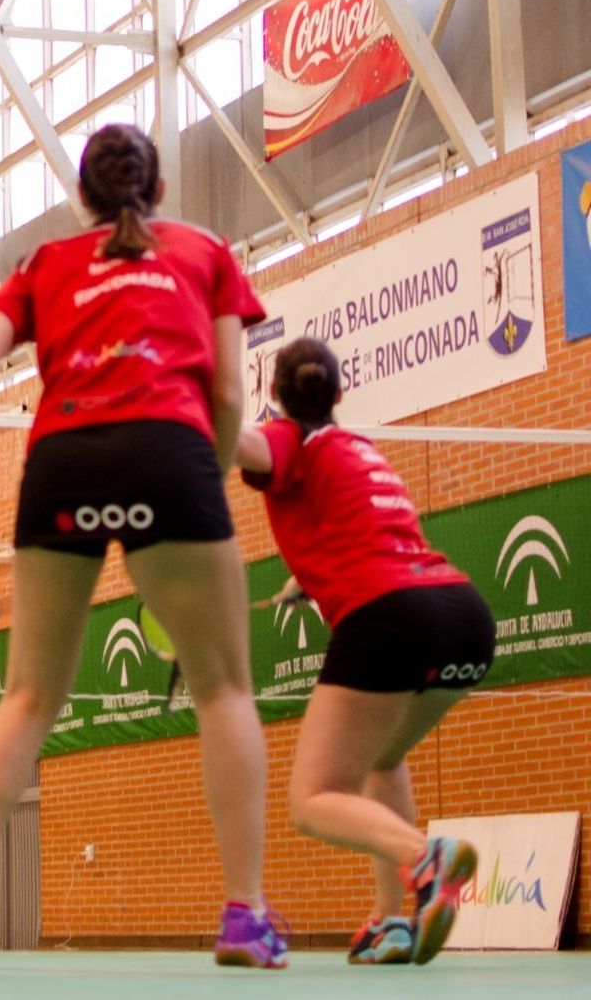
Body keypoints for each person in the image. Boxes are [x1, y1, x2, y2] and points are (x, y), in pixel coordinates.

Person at [0, 124, 282, 975]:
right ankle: (245, 916)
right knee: (225, 687)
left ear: (81, 199)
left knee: (29, 696)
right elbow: (232, 388)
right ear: (156, 192)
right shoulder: (204, 250)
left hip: (64, 460)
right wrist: (210, 465)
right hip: (171, 453)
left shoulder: (47, 261)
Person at [236, 337, 487, 966]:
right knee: (384, 757)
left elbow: (239, 444)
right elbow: (366, 530)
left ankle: (424, 859)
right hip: (463, 617)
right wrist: (305, 579)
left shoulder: (287, 441)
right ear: (341, 394)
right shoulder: (358, 450)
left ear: (274, 396)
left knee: (314, 799)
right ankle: (392, 921)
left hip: (390, 617)